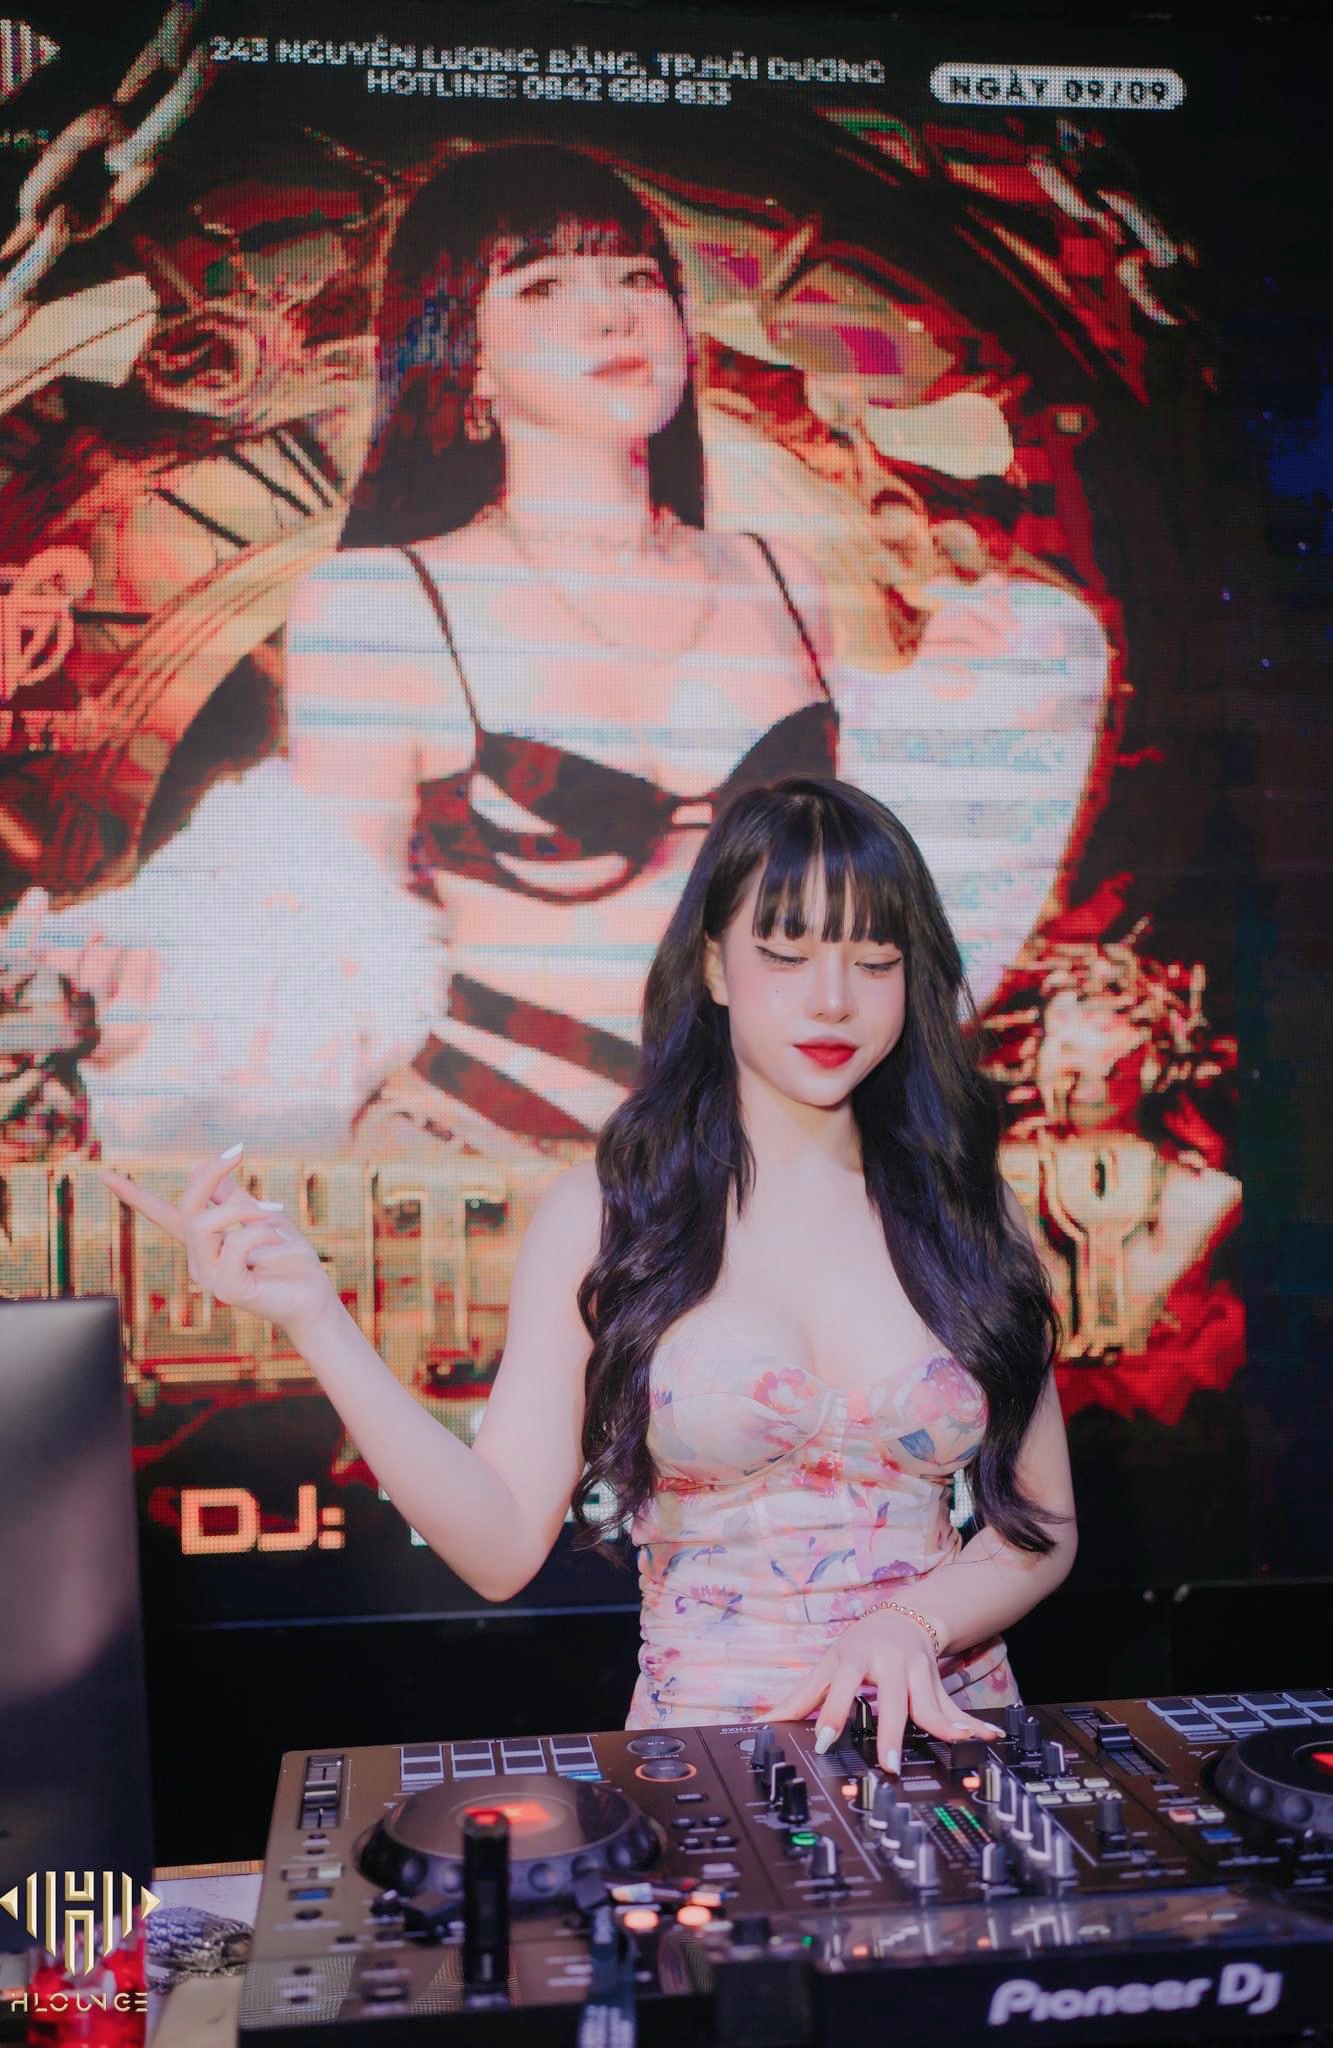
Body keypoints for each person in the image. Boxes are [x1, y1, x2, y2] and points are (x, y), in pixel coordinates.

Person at [98, 776, 1077, 1761]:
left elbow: (1038, 1526)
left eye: (873, 961)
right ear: (715, 965)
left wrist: (912, 1623)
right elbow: (499, 1545)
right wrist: (317, 1318)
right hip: (716, 1763)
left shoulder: (970, 1208)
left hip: (954, 1747)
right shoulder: (609, 1214)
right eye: (786, 954)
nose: (833, 998)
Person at [283, 140, 839, 1162]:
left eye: (637, 278)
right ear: (468, 358)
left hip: (758, 1171)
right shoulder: (380, 603)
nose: (614, 315)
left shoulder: (783, 582)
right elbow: (326, 940)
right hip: (477, 1157)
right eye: (542, 286)